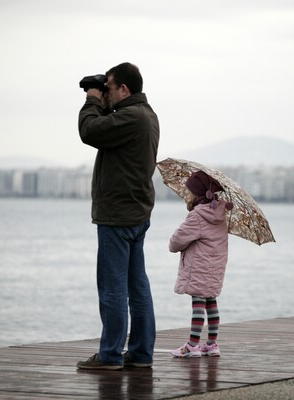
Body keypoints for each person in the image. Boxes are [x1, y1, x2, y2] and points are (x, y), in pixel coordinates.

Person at [76, 62, 160, 370]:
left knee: (112, 288)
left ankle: (110, 355)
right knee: (137, 287)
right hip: (136, 214)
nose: (105, 93)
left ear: (124, 89)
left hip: (117, 217)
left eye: (109, 88)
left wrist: (91, 99)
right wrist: (101, 96)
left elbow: (90, 130)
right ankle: (140, 353)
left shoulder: (132, 117)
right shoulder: (146, 115)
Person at [169, 171, 233, 358]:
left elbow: (176, 242)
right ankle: (211, 344)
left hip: (199, 267)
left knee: (198, 303)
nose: (186, 194)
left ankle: (192, 345)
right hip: (216, 267)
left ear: (197, 194)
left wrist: (177, 243)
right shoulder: (220, 214)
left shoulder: (197, 216)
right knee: (211, 302)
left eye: (189, 191)